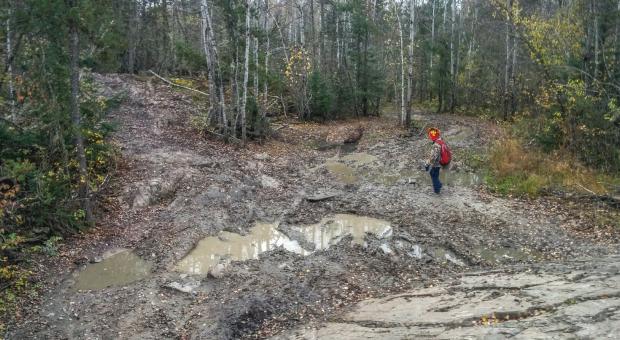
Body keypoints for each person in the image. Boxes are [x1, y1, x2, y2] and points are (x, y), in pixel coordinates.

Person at [424, 127, 444, 194]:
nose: (429, 137)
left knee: (434, 177)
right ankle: (438, 186)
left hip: (435, 164)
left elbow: (433, 157)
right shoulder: (440, 141)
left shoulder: (436, 144)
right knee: (435, 176)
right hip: (439, 163)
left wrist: (428, 164)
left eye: (430, 135)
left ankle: (437, 190)